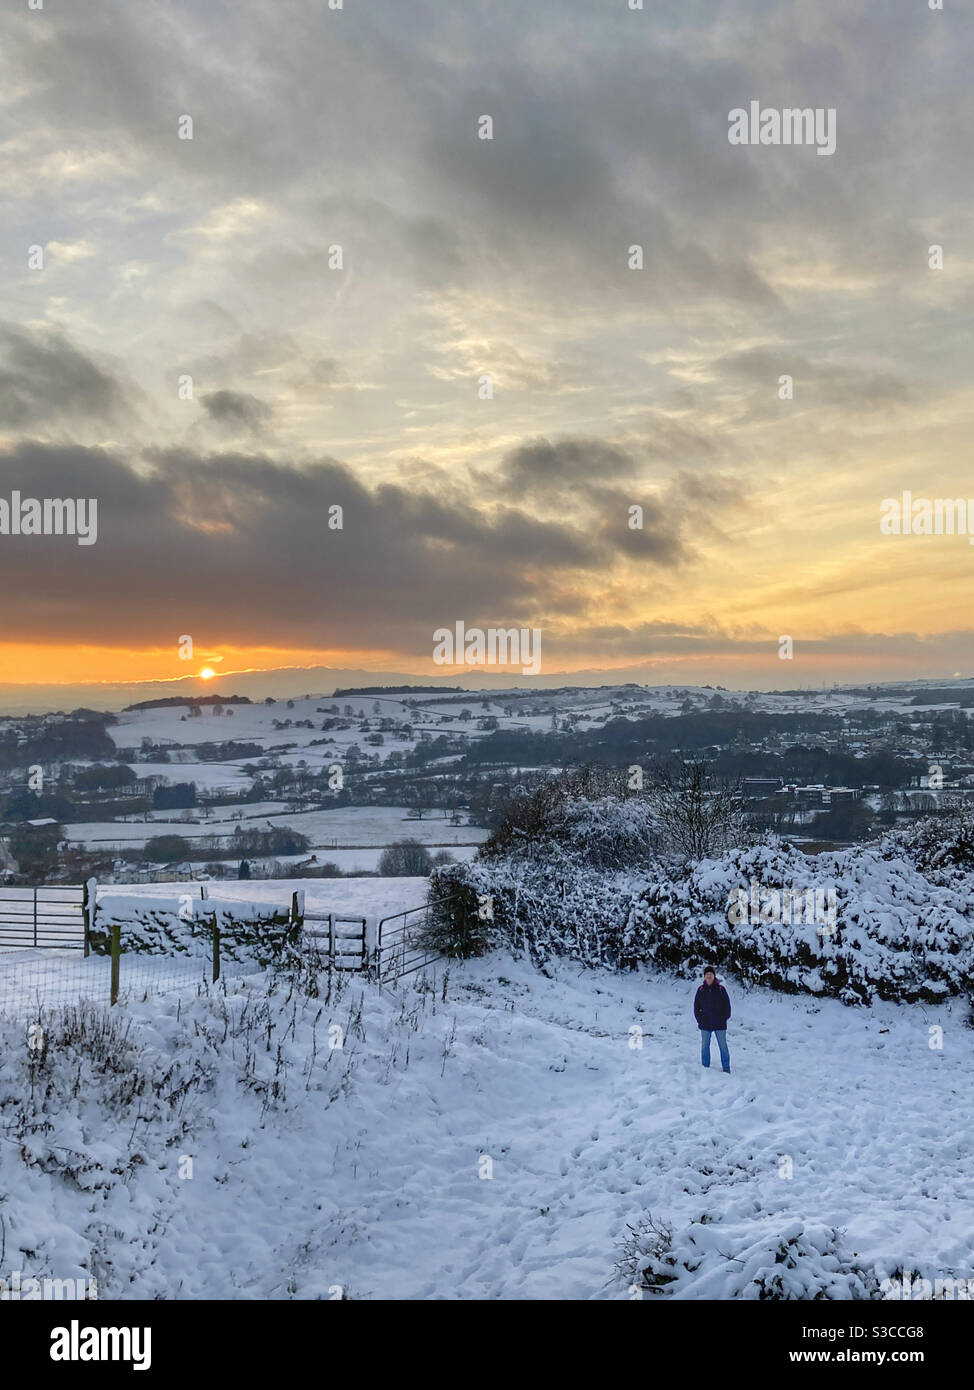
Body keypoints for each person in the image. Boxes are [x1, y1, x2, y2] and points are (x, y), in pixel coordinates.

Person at [693, 965, 731, 1072]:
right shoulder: (700, 990)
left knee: (723, 1046)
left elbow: (727, 1006)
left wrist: (724, 1018)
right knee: (705, 1046)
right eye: (707, 975)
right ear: (704, 977)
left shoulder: (720, 989)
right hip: (705, 1024)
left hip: (720, 1024)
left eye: (711, 974)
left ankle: (726, 1068)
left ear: (714, 976)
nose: (709, 976)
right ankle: (705, 1068)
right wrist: (700, 1019)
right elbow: (696, 1007)